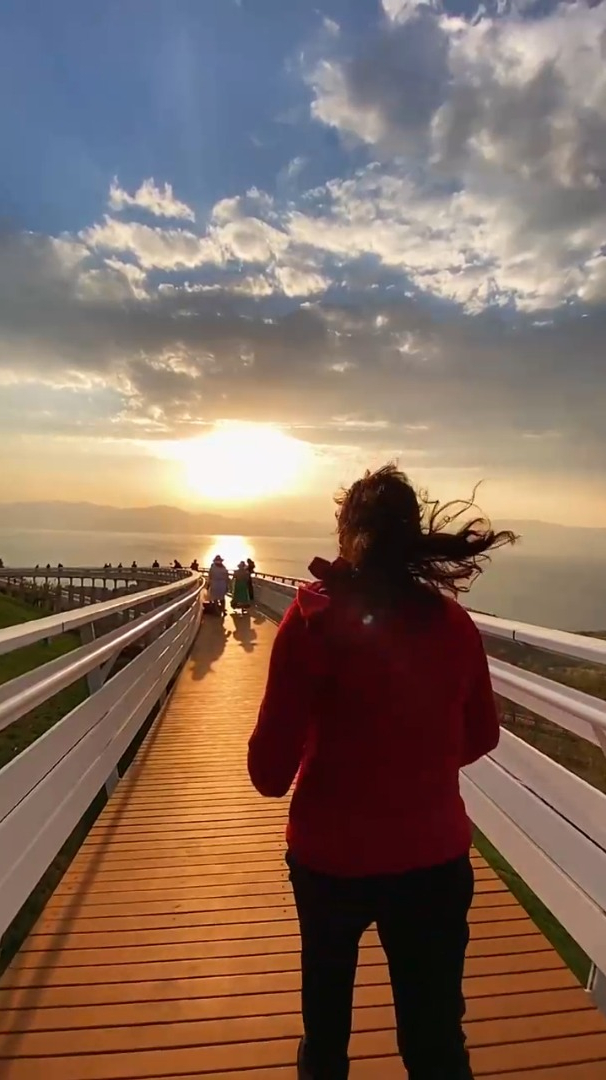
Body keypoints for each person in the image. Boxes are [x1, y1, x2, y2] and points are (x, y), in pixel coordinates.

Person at [248, 464, 516, 1080]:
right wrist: (411, 765)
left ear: (347, 538)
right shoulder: (453, 626)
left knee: (327, 1041)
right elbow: (483, 734)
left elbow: (268, 774)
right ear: (412, 536)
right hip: (433, 862)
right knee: (435, 1045)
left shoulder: (310, 624)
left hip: (329, 864)